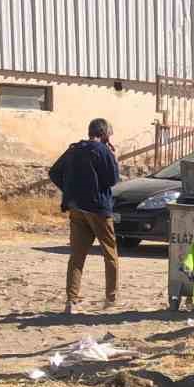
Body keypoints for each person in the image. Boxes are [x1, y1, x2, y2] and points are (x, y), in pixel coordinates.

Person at [49, 118, 120, 314]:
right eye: (109, 134)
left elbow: (54, 172)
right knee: (110, 253)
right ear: (104, 133)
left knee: (77, 256)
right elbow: (113, 179)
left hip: (76, 208)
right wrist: (114, 157)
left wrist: (71, 191)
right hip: (98, 209)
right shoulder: (103, 151)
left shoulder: (74, 149)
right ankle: (111, 298)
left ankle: (71, 301)